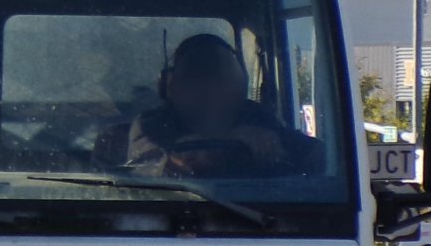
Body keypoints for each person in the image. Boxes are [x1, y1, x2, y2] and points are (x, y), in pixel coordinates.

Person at [93, 33, 321, 179]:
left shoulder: (259, 119)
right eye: (197, 76)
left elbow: (322, 159)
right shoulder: (145, 129)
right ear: (171, 88)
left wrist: (276, 148)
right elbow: (151, 162)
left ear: (241, 85)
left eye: (223, 78)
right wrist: (234, 138)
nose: (211, 90)